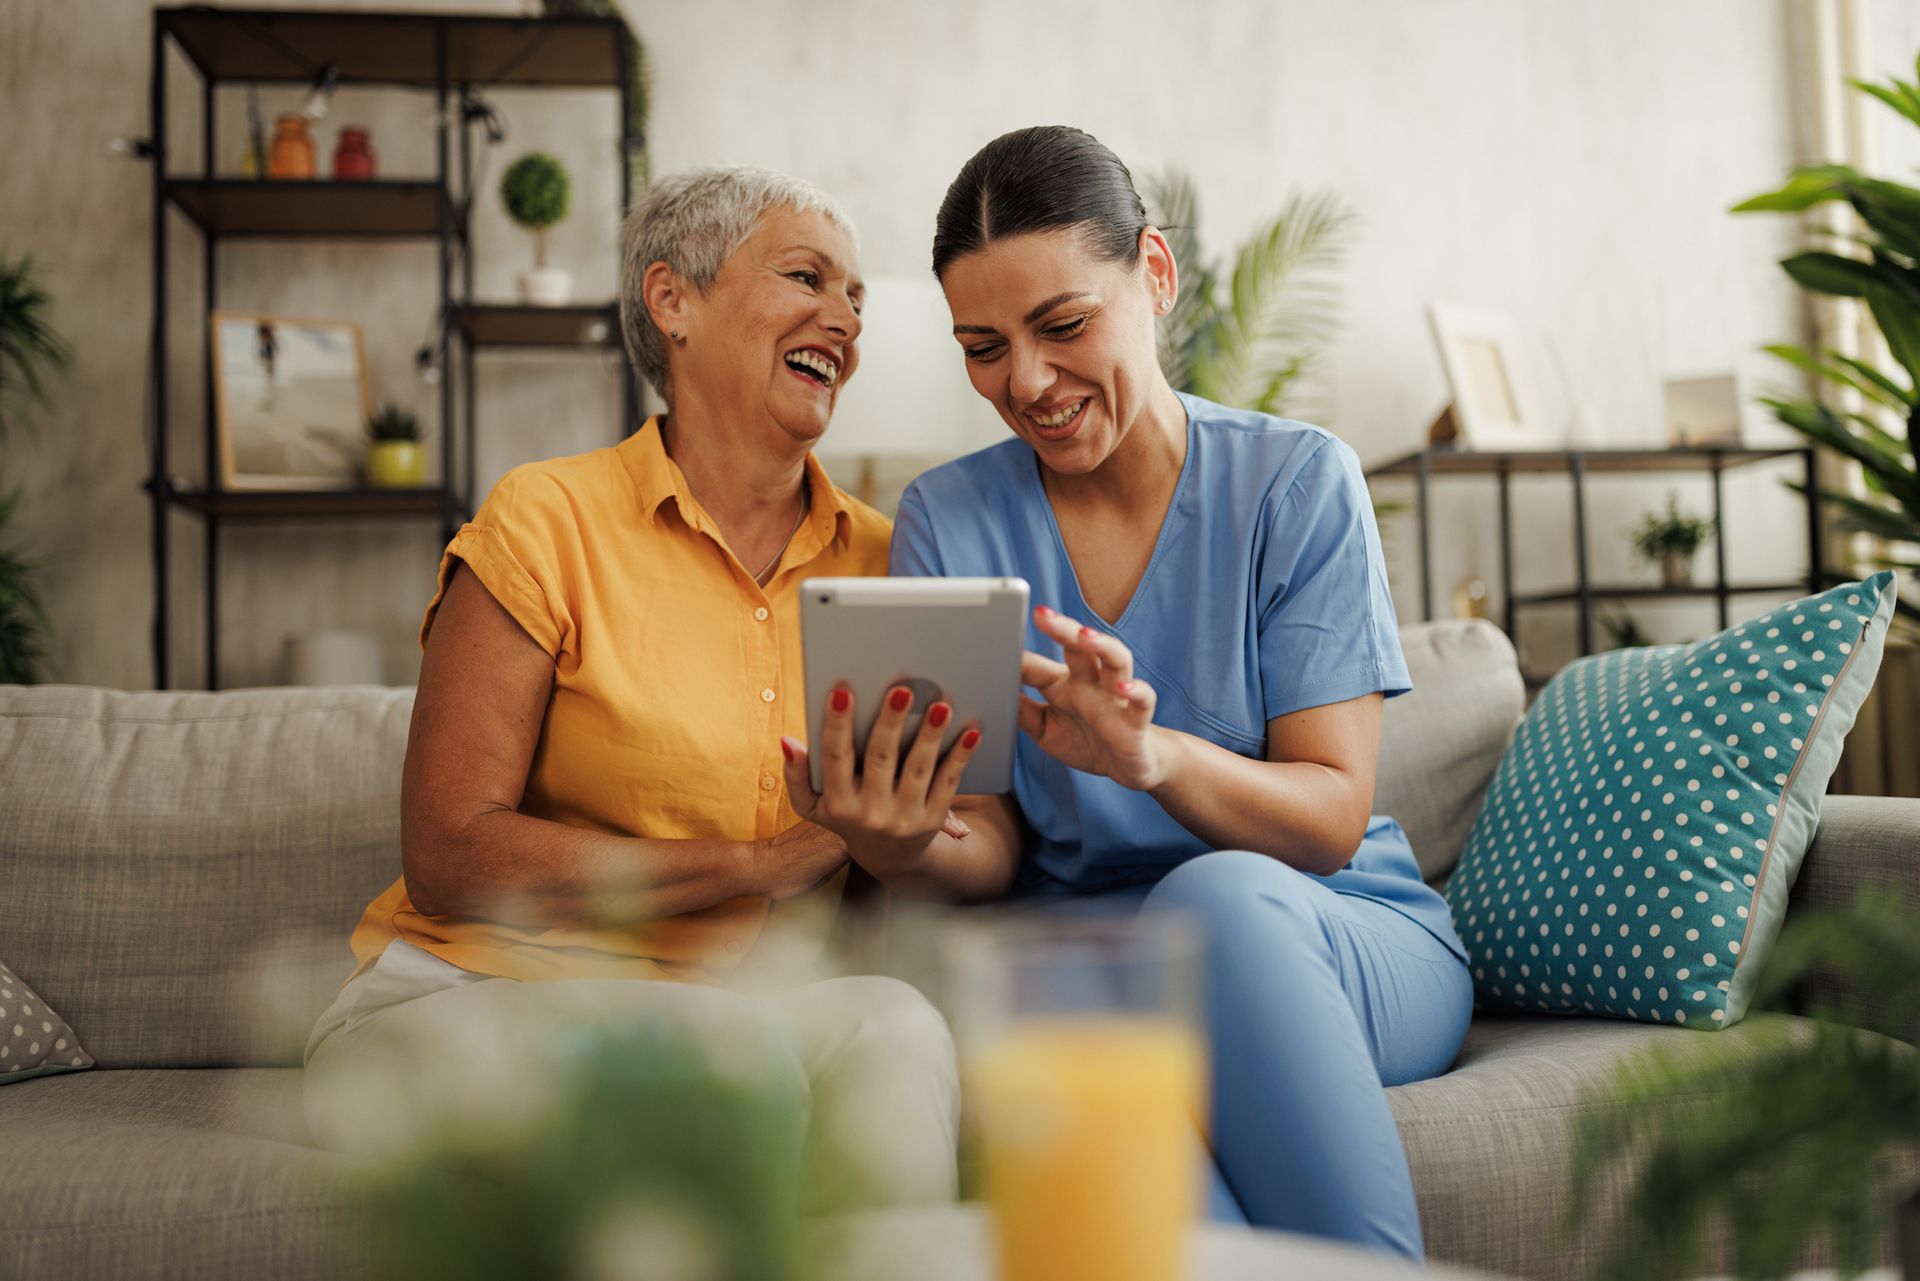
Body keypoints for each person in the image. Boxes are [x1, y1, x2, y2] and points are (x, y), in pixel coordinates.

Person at [780, 126, 1472, 1258]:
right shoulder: (952, 521)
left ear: (1155, 274)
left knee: (1216, 908)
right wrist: (895, 841)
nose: (1029, 384)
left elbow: (1330, 817)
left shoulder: (1295, 484)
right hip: (1088, 964)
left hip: (1325, 935)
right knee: (1057, 1019)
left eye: (1062, 327)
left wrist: (1154, 760)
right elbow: (991, 846)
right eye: (983, 347)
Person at [303, 167, 959, 1214]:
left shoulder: (891, 564)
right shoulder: (545, 517)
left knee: (897, 1025)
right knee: (726, 1056)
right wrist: (757, 864)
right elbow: (449, 855)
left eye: (857, 300)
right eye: (807, 278)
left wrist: (893, 840)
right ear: (673, 301)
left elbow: (880, 877)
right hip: (472, 993)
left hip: (729, 1009)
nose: (844, 317)